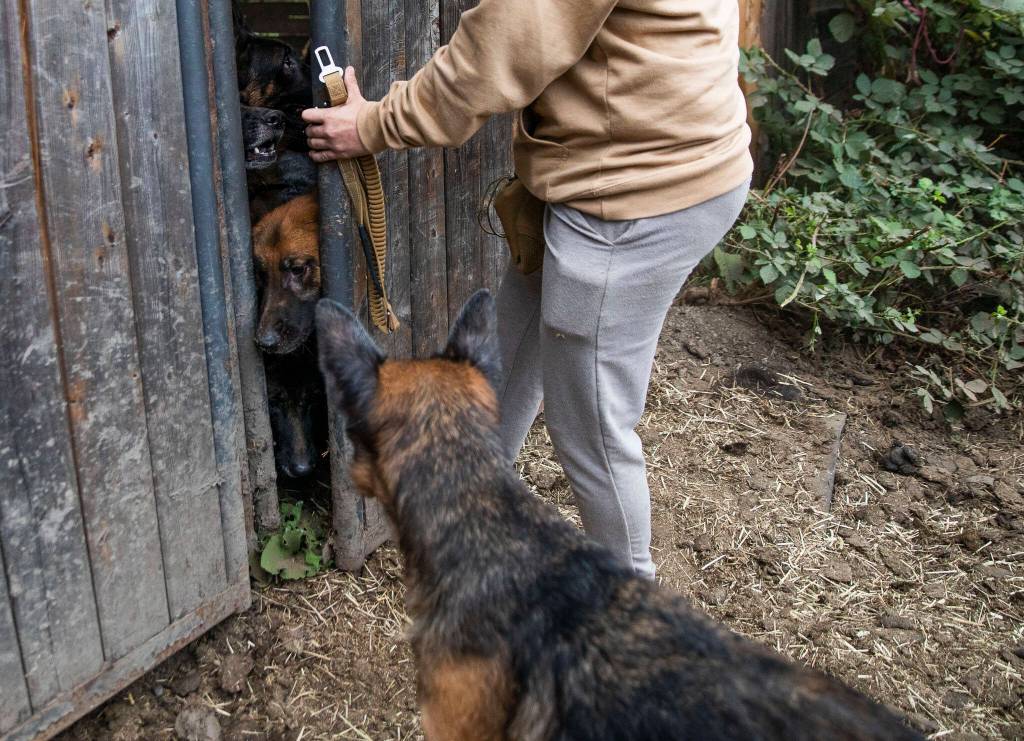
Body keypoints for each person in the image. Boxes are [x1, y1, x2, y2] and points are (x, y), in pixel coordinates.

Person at [302, 0, 752, 579]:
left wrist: (371, 125)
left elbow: (499, 48)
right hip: (634, 165)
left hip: (635, 195)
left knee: (590, 426)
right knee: (511, 355)